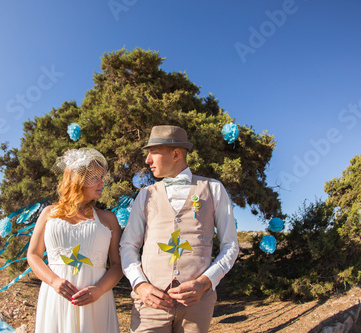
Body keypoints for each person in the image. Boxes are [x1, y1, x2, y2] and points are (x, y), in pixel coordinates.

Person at [120, 125, 239, 333]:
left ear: (175, 154)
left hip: (197, 307)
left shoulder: (213, 188)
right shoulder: (145, 195)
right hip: (150, 304)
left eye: (153, 153)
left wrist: (204, 283)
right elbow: (128, 245)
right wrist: (140, 285)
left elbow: (230, 246)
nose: (147, 160)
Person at [27, 148, 122, 332]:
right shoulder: (48, 214)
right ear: (78, 180)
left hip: (96, 301)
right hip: (56, 298)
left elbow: (117, 264)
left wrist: (99, 290)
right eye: (95, 178)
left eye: (101, 178)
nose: (102, 183)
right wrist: (54, 281)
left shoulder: (108, 219)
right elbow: (33, 255)